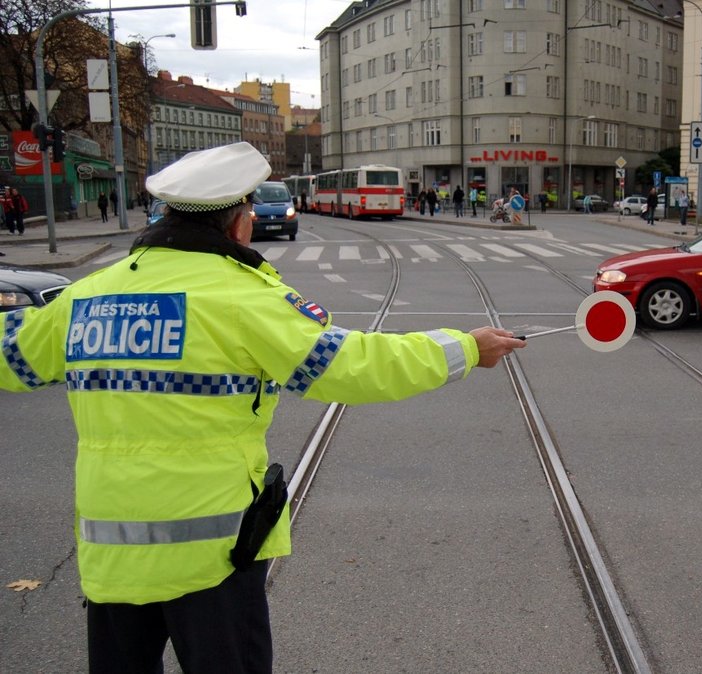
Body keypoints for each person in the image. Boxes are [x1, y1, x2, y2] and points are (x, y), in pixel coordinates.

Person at [0, 143, 525, 672]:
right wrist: (465, 348)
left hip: (111, 554)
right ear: (237, 222)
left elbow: (10, 359)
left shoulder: (86, 297)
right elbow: (351, 366)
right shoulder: (242, 298)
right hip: (212, 556)